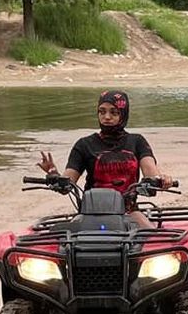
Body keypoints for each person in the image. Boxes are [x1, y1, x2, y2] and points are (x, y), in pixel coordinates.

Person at [37, 90, 172, 226]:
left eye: (114, 112)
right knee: (66, 242)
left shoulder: (137, 142)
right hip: (89, 213)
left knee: (153, 238)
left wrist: (162, 180)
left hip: (128, 211)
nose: (107, 117)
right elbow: (67, 184)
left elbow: (151, 173)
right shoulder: (84, 144)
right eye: (102, 111)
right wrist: (53, 173)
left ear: (123, 114)